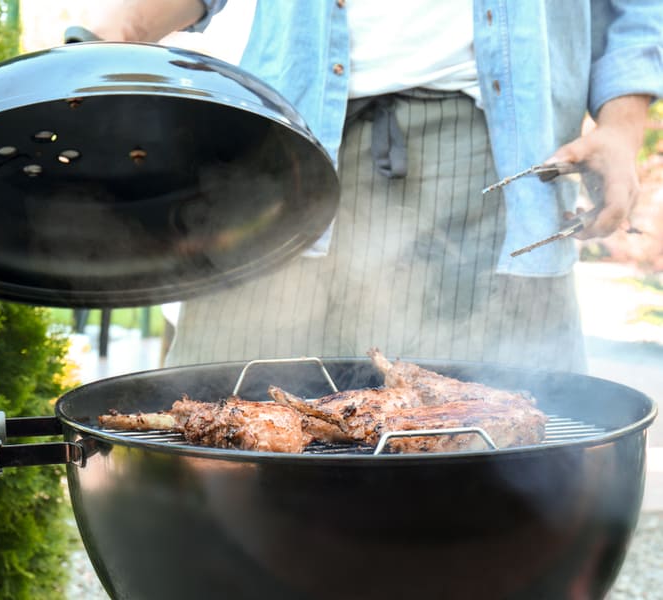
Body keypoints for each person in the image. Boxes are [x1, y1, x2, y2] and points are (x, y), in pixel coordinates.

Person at [84, 1, 662, 372]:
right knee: (221, 429)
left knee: (482, 452)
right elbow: (135, 18)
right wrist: (99, 43)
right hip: (280, 150)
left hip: (487, 165)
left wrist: (621, 125)